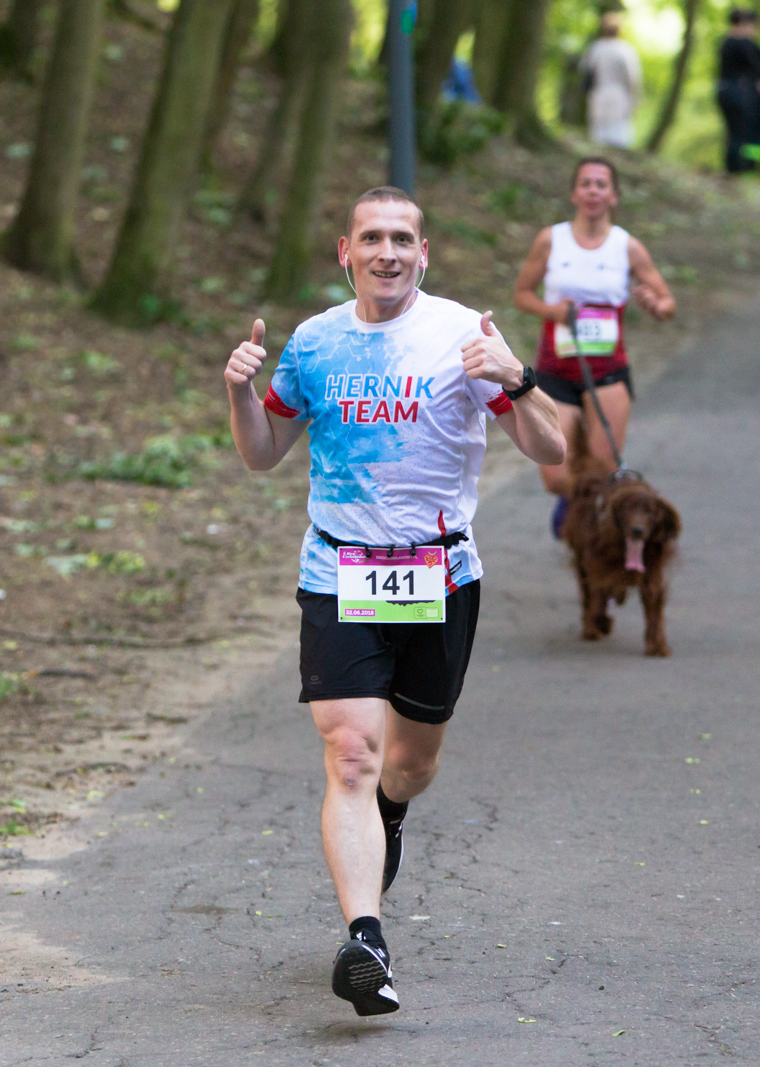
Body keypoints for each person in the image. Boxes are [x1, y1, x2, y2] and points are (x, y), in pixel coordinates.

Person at [224, 187, 565, 1017]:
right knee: (350, 752)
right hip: (338, 570)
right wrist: (240, 391)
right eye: (371, 237)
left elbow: (554, 447)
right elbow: (264, 454)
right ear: (346, 251)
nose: (386, 251)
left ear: (423, 253)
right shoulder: (313, 343)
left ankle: (389, 818)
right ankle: (366, 940)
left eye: (401, 239)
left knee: (407, 767)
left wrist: (516, 379)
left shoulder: (463, 336)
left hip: (438, 574)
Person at [513, 158, 677, 537]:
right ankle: (572, 502)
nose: (592, 191)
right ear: (574, 193)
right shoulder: (551, 240)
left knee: (602, 471)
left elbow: (668, 304)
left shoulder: (627, 246)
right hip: (555, 371)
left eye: (601, 185)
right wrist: (552, 310)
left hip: (608, 373)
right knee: (556, 476)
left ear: (614, 196)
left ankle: (590, 535)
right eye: (585, 184)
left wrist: (655, 305)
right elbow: (522, 294)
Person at [578, 12, 643, 148]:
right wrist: (636, 98)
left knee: (599, 134)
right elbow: (633, 78)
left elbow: (584, 70)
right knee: (618, 133)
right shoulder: (626, 50)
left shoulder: (595, 48)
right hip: (619, 95)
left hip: (599, 93)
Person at [717, 9, 760, 173]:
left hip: (727, 91)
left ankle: (737, 169)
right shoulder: (746, 45)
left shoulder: (725, 43)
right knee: (742, 134)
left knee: (735, 133)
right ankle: (740, 170)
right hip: (741, 95)